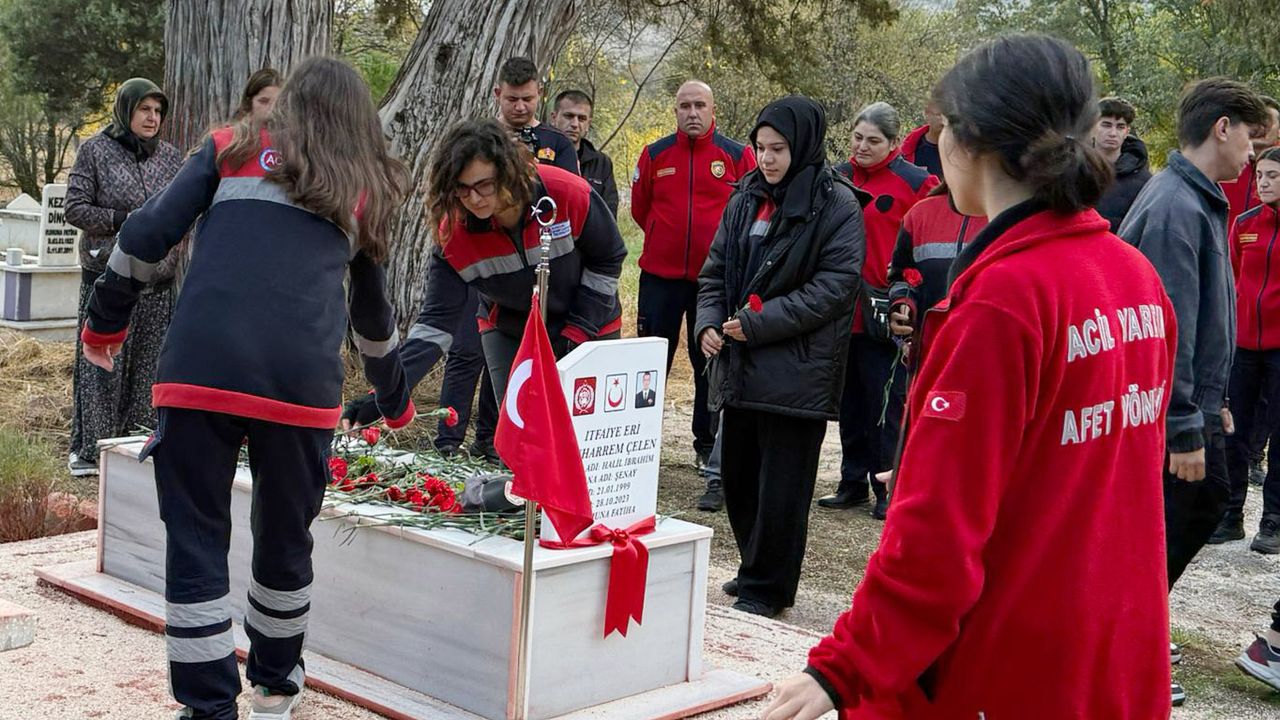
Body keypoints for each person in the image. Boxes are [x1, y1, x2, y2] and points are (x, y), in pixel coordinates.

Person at [764, 34, 1176, 720]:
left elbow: (938, 543)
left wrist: (841, 670)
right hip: (1113, 641)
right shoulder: (1134, 277)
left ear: (971, 141)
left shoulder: (1004, 301)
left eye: (942, 126)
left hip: (1012, 658)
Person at [79, 57, 414, 720]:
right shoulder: (362, 187)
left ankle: (208, 709)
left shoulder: (228, 149)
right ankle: (273, 689)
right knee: (286, 539)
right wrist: (394, 398)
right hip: (299, 388)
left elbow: (146, 233)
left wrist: (105, 322)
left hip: (200, 372)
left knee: (196, 538)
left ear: (286, 104)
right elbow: (372, 321)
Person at [1120, 76, 1268, 705]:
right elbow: (1166, 327)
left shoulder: (1199, 199)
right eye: (1252, 139)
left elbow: (1208, 317)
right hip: (1166, 412)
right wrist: (1184, 422)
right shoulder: (1175, 206)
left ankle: (1130, 646)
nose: (1254, 157)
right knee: (1169, 526)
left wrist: (1219, 401)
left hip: (1194, 402)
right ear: (1222, 128)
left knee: (1190, 516)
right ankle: (1127, 654)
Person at [341, 119, 625, 429]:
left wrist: (577, 331)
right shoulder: (454, 235)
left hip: (590, 320)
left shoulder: (564, 191)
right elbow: (434, 328)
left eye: (484, 185)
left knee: (585, 429)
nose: (474, 199)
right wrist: (382, 397)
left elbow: (608, 258)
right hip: (509, 327)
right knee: (522, 430)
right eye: (462, 189)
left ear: (508, 171)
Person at [697, 95, 863, 619]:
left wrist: (755, 323)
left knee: (783, 489)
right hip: (741, 363)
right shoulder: (745, 197)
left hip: (797, 368)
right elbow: (715, 270)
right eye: (761, 148)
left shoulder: (837, 205)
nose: (767, 159)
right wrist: (707, 322)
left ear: (804, 146)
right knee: (741, 478)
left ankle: (768, 588)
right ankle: (753, 569)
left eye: (779, 149)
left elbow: (834, 288)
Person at [632, 80, 756, 511]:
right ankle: (640, 446)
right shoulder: (654, 154)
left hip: (714, 281)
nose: (692, 113)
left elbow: (750, 209)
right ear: (675, 110)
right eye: (684, 105)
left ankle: (706, 446)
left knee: (709, 364)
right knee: (651, 364)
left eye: (699, 104)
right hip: (660, 279)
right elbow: (640, 208)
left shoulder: (738, 156)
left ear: (713, 108)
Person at [822, 102, 938, 519]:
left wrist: (910, 294)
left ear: (893, 142)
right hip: (840, 310)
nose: (863, 147)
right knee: (850, 402)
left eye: (873, 141)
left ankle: (888, 486)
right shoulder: (837, 177)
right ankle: (851, 481)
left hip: (888, 310)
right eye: (857, 138)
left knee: (885, 403)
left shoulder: (916, 182)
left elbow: (926, 242)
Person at [64, 78, 183, 477]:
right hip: (106, 278)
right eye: (144, 109)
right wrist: (124, 221)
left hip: (157, 283)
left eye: (157, 111)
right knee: (102, 366)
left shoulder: (171, 157)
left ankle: (134, 449)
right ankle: (92, 451)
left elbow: (183, 210)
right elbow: (75, 207)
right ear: (125, 110)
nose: (152, 118)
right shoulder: (96, 151)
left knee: (147, 370)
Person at [1208, 146, 1280, 552]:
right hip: (1244, 346)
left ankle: (1272, 521)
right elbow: (1235, 277)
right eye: (1260, 176)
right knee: (1235, 433)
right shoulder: (1245, 223)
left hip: (1279, 349)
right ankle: (1230, 514)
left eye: (1273, 176)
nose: (1264, 183)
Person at [885, 182, 988, 339]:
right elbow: (901, 275)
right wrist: (902, 304)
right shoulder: (920, 214)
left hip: (984, 345)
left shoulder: (1011, 218)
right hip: (927, 346)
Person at [433, 285, 499, 460]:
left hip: (518, 274)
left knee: (501, 354)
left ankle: (489, 438)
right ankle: (448, 441)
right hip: (476, 269)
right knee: (466, 352)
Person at [494, 56, 578, 174]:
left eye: (527, 99)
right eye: (512, 99)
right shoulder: (478, 136)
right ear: (498, 94)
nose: (520, 107)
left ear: (539, 93)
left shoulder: (559, 142)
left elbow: (571, 189)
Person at [551, 89, 619, 216]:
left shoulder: (601, 163)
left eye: (581, 118)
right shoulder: (540, 154)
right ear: (554, 118)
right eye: (569, 116)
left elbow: (609, 212)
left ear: (588, 124)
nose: (575, 124)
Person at [1094, 96, 1152, 232]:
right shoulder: (1073, 171)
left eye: (1120, 127)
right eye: (1106, 125)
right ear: (1092, 126)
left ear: (1127, 131)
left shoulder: (1144, 181)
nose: (1113, 133)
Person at [898, 100, 945, 178]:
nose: (944, 120)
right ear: (927, 114)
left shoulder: (962, 150)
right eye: (939, 115)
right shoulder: (910, 149)